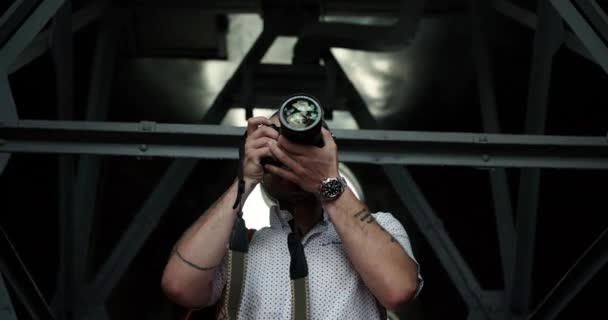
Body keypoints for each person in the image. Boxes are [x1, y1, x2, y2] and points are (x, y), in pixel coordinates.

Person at [161, 115, 423, 319]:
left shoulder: (380, 227)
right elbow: (179, 287)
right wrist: (245, 180)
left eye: (305, 147)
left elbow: (398, 290)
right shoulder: (237, 248)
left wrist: (327, 182)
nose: (291, 156)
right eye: (276, 145)